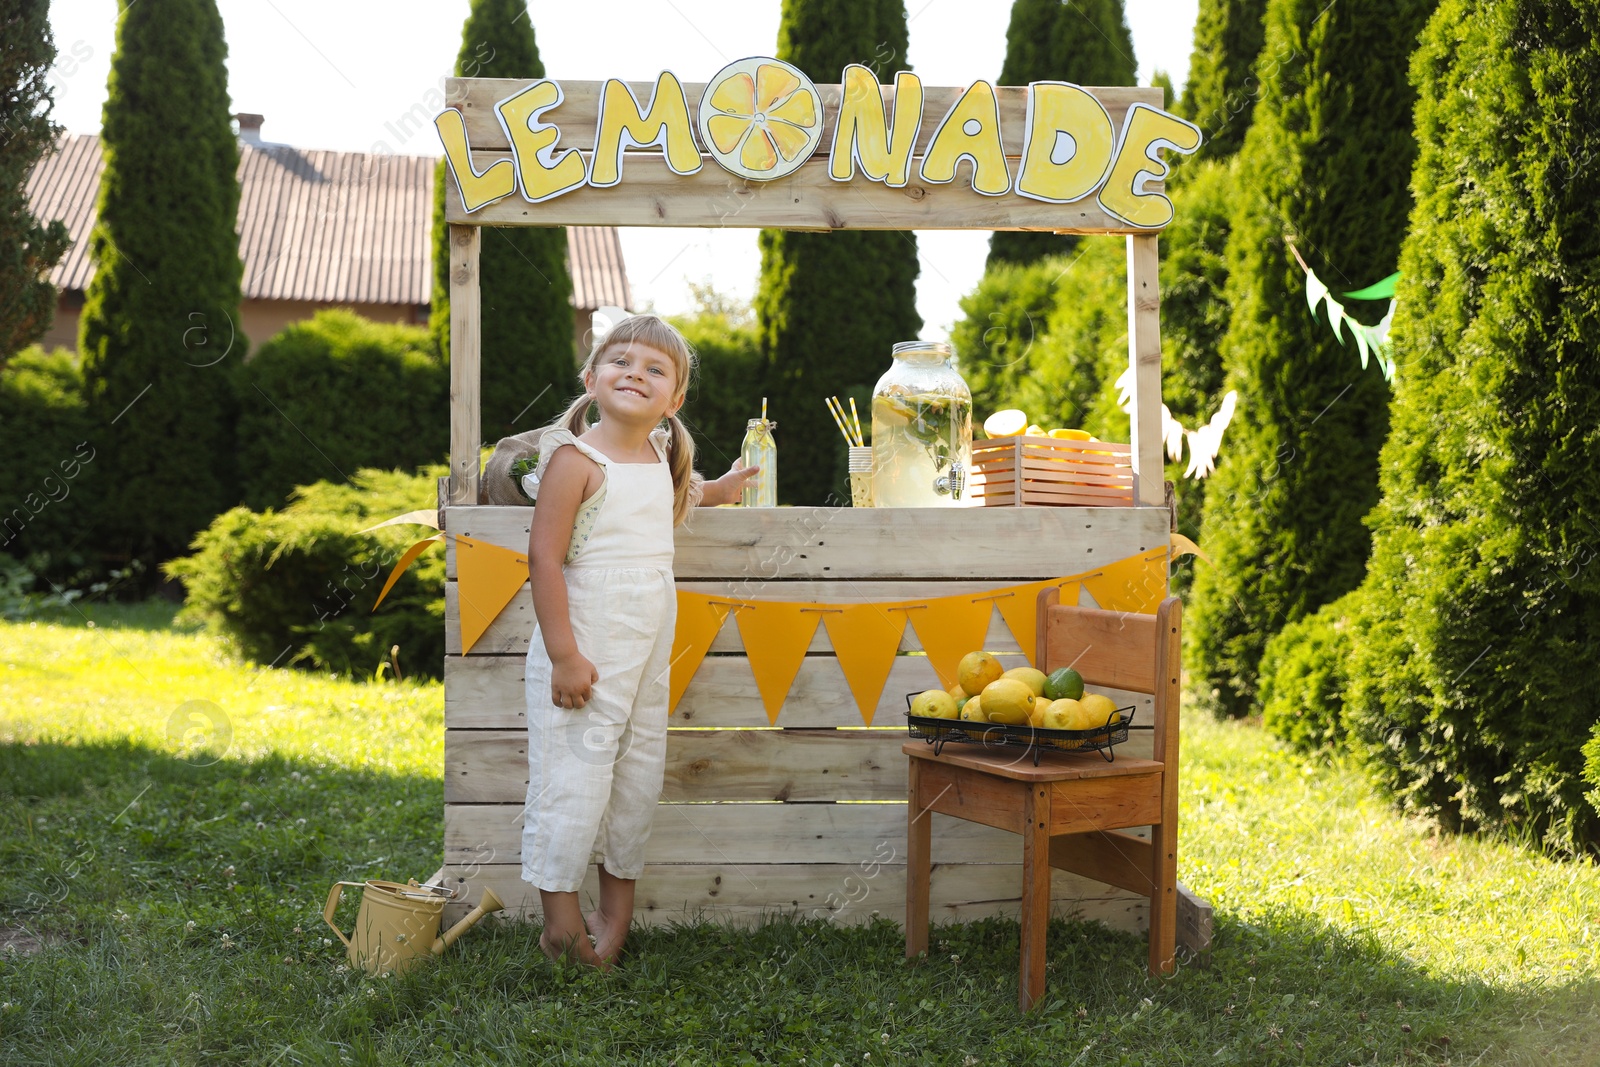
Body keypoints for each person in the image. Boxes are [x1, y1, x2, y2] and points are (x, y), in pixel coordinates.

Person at [522, 313, 759, 968]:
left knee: (636, 769)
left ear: (674, 398)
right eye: (621, 361)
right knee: (576, 774)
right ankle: (560, 926)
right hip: (588, 642)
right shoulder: (576, 460)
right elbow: (544, 560)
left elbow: (679, 496)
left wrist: (724, 488)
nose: (636, 373)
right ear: (592, 377)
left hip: (649, 639)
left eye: (655, 368)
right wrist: (565, 654)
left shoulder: (660, 454)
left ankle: (614, 915)